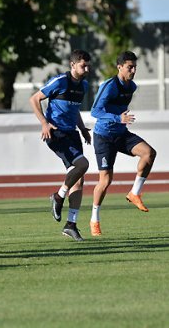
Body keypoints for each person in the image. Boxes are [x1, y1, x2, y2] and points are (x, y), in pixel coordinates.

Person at [89, 51, 156, 236]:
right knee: (106, 180)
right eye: (130, 67)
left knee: (149, 153)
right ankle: (94, 219)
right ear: (119, 67)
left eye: (135, 67)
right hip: (103, 137)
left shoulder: (132, 86)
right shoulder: (109, 86)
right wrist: (118, 118)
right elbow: (95, 111)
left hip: (121, 134)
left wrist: (120, 120)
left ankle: (134, 193)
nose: (133, 70)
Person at [29, 49, 92, 242]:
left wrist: (82, 129)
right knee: (83, 165)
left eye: (88, 65)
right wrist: (44, 123)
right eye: (83, 65)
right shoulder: (60, 81)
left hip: (72, 133)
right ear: (73, 65)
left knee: (79, 179)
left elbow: (75, 109)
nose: (87, 69)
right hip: (56, 132)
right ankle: (58, 196)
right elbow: (34, 99)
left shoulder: (84, 86)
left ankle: (71, 225)